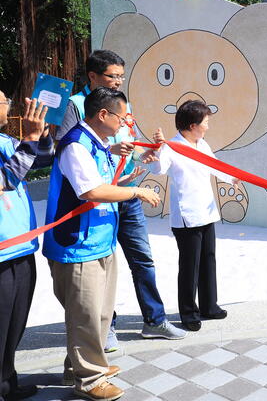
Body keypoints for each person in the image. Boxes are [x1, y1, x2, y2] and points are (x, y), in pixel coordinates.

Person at [57, 50, 185, 354]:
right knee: (100, 266)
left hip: (126, 192)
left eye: (121, 76)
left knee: (142, 258)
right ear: (92, 77)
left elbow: (127, 148)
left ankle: (154, 319)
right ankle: (107, 327)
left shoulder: (122, 105)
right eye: (112, 76)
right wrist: (113, 150)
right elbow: (68, 148)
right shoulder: (76, 106)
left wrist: (146, 153)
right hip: (98, 200)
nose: (118, 81)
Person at [43, 88, 160, 401]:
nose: (124, 124)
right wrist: (136, 193)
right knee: (86, 315)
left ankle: (78, 367)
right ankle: (90, 379)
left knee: (100, 313)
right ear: (103, 115)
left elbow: (105, 183)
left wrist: (131, 174)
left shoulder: (99, 144)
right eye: (120, 118)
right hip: (76, 246)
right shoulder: (75, 145)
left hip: (100, 242)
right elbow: (91, 191)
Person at [148, 100, 239, 331]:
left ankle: (209, 305)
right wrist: (158, 148)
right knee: (190, 265)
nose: (207, 126)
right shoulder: (172, 147)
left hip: (206, 211)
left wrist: (232, 178)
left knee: (208, 259)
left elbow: (214, 166)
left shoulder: (201, 143)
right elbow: (158, 170)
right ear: (191, 125)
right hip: (187, 216)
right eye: (205, 122)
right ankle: (188, 312)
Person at [0, 94, 53, 401]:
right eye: (5, 100)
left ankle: (7, 382)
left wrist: (42, 133)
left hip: (20, 247)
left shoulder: (5, 139)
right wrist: (31, 137)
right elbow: (6, 179)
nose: (10, 104)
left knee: (15, 323)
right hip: (2, 253)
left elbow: (41, 160)